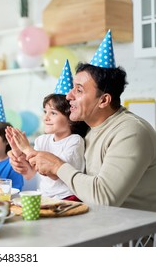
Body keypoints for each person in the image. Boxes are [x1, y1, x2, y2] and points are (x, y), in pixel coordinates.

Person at [11, 30, 156, 212]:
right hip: (93, 222)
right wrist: (28, 163)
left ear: (104, 100)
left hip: (132, 235)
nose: (69, 96)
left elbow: (104, 198)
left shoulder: (131, 132)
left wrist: (57, 165)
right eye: (72, 88)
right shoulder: (85, 129)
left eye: (78, 90)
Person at [6, 60, 89, 201]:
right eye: (45, 112)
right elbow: (31, 173)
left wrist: (27, 149)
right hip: (45, 196)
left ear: (71, 118)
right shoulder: (42, 140)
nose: (46, 118)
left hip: (68, 197)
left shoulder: (75, 141)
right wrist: (18, 153)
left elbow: (54, 173)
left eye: (53, 113)